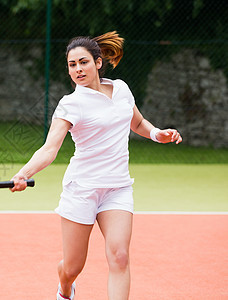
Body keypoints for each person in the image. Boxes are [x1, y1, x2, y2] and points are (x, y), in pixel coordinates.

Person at [10, 31, 182, 300]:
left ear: (98, 63)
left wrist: (156, 133)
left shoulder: (122, 89)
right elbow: (49, 148)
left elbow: (136, 122)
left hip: (117, 188)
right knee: (73, 267)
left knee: (120, 257)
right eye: (72, 65)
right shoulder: (70, 105)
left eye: (83, 62)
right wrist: (24, 173)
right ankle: (65, 287)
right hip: (82, 189)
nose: (78, 69)